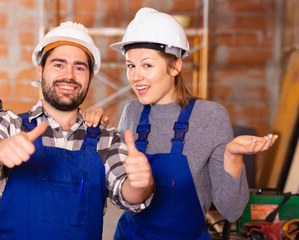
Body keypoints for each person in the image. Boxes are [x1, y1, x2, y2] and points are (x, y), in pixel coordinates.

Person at [84, 7, 278, 240]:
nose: (135, 76)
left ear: (175, 66)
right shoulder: (132, 111)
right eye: (130, 65)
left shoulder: (211, 116)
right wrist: (95, 132)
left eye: (147, 65)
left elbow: (232, 211)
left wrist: (233, 156)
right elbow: (120, 193)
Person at [0, 21, 154, 240]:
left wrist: (141, 184)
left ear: (89, 77)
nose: (69, 75)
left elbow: (129, 196)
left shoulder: (106, 139)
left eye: (79, 67)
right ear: (41, 70)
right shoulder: (10, 125)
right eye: (59, 65)